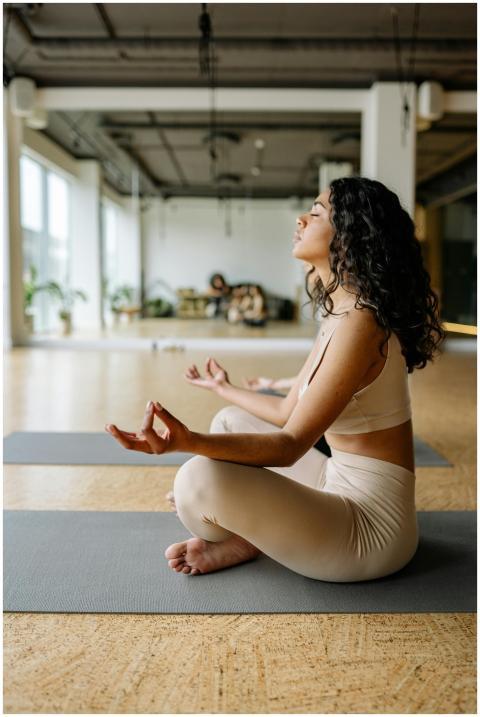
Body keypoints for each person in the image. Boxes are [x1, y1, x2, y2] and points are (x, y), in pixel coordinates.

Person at [106, 177, 445, 582]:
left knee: (197, 480)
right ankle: (251, 535)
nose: (301, 219)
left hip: (370, 532)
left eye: (316, 213)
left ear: (351, 236)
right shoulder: (341, 314)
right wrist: (223, 388)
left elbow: (288, 447)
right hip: (334, 480)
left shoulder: (360, 322)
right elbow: (288, 410)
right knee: (231, 420)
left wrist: (186, 443)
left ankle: (247, 534)